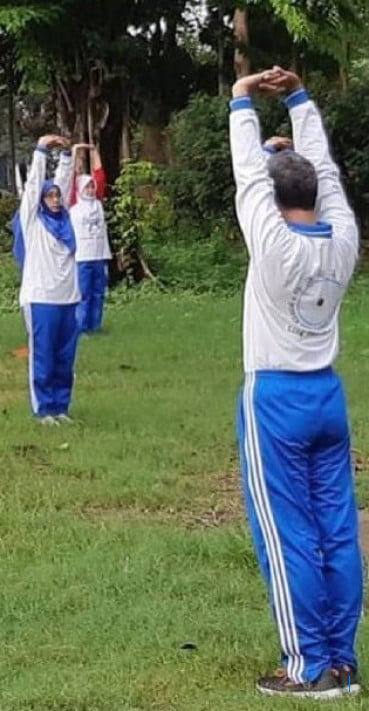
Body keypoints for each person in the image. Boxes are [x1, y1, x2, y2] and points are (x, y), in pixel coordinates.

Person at [230, 67, 362, 700]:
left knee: (288, 535)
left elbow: (249, 176)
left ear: (277, 197)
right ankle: (342, 659)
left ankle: (308, 668)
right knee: (336, 530)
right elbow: (326, 174)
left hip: (277, 399)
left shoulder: (275, 248)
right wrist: (300, 100)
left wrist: (241, 100)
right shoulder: (344, 241)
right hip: (327, 397)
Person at [18, 135, 78, 425]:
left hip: (68, 298)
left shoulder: (66, 222)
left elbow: (64, 183)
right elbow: (32, 188)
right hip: (41, 298)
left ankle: (60, 406)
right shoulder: (33, 222)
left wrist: (66, 155)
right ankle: (43, 408)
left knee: (65, 357)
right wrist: (41, 150)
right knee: (43, 355)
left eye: (57, 196)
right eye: (49, 196)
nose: (55, 199)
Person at [70, 144, 111, 334]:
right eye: (87, 186)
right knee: (84, 293)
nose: (91, 189)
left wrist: (94, 151)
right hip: (82, 257)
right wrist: (75, 152)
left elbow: (100, 176)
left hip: (99, 255)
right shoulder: (74, 203)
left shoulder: (98, 203)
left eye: (92, 186)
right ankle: (81, 326)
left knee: (98, 293)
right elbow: (71, 177)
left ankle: (95, 326)